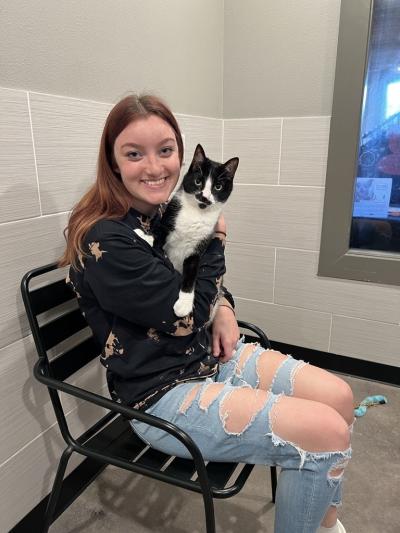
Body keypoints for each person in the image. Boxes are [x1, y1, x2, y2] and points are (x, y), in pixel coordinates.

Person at [60, 94, 354, 533]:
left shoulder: (165, 210)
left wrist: (227, 310)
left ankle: (324, 524)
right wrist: (216, 239)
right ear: (113, 160)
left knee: (340, 399)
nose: (155, 167)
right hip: (160, 395)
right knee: (325, 433)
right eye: (134, 153)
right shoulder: (107, 240)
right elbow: (187, 316)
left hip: (206, 359)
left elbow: (205, 293)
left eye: (165, 150)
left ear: (182, 154)